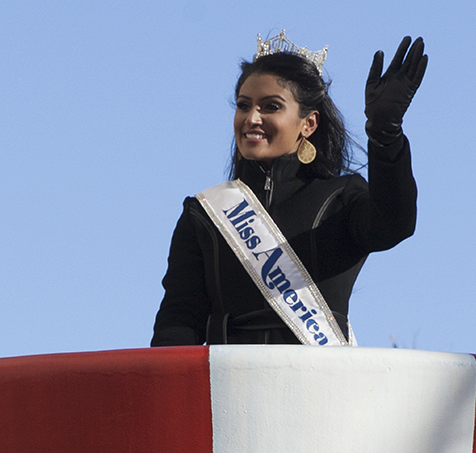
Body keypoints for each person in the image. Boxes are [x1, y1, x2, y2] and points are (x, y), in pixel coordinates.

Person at [151, 32, 427, 346]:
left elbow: (394, 224)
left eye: (270, 107)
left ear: (308, 124)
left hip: (319, 388)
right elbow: (178, 322)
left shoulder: (340, 198)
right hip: (230, 388)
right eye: (243, 106)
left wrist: (385, 135)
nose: (252, 118)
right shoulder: (205, 212)